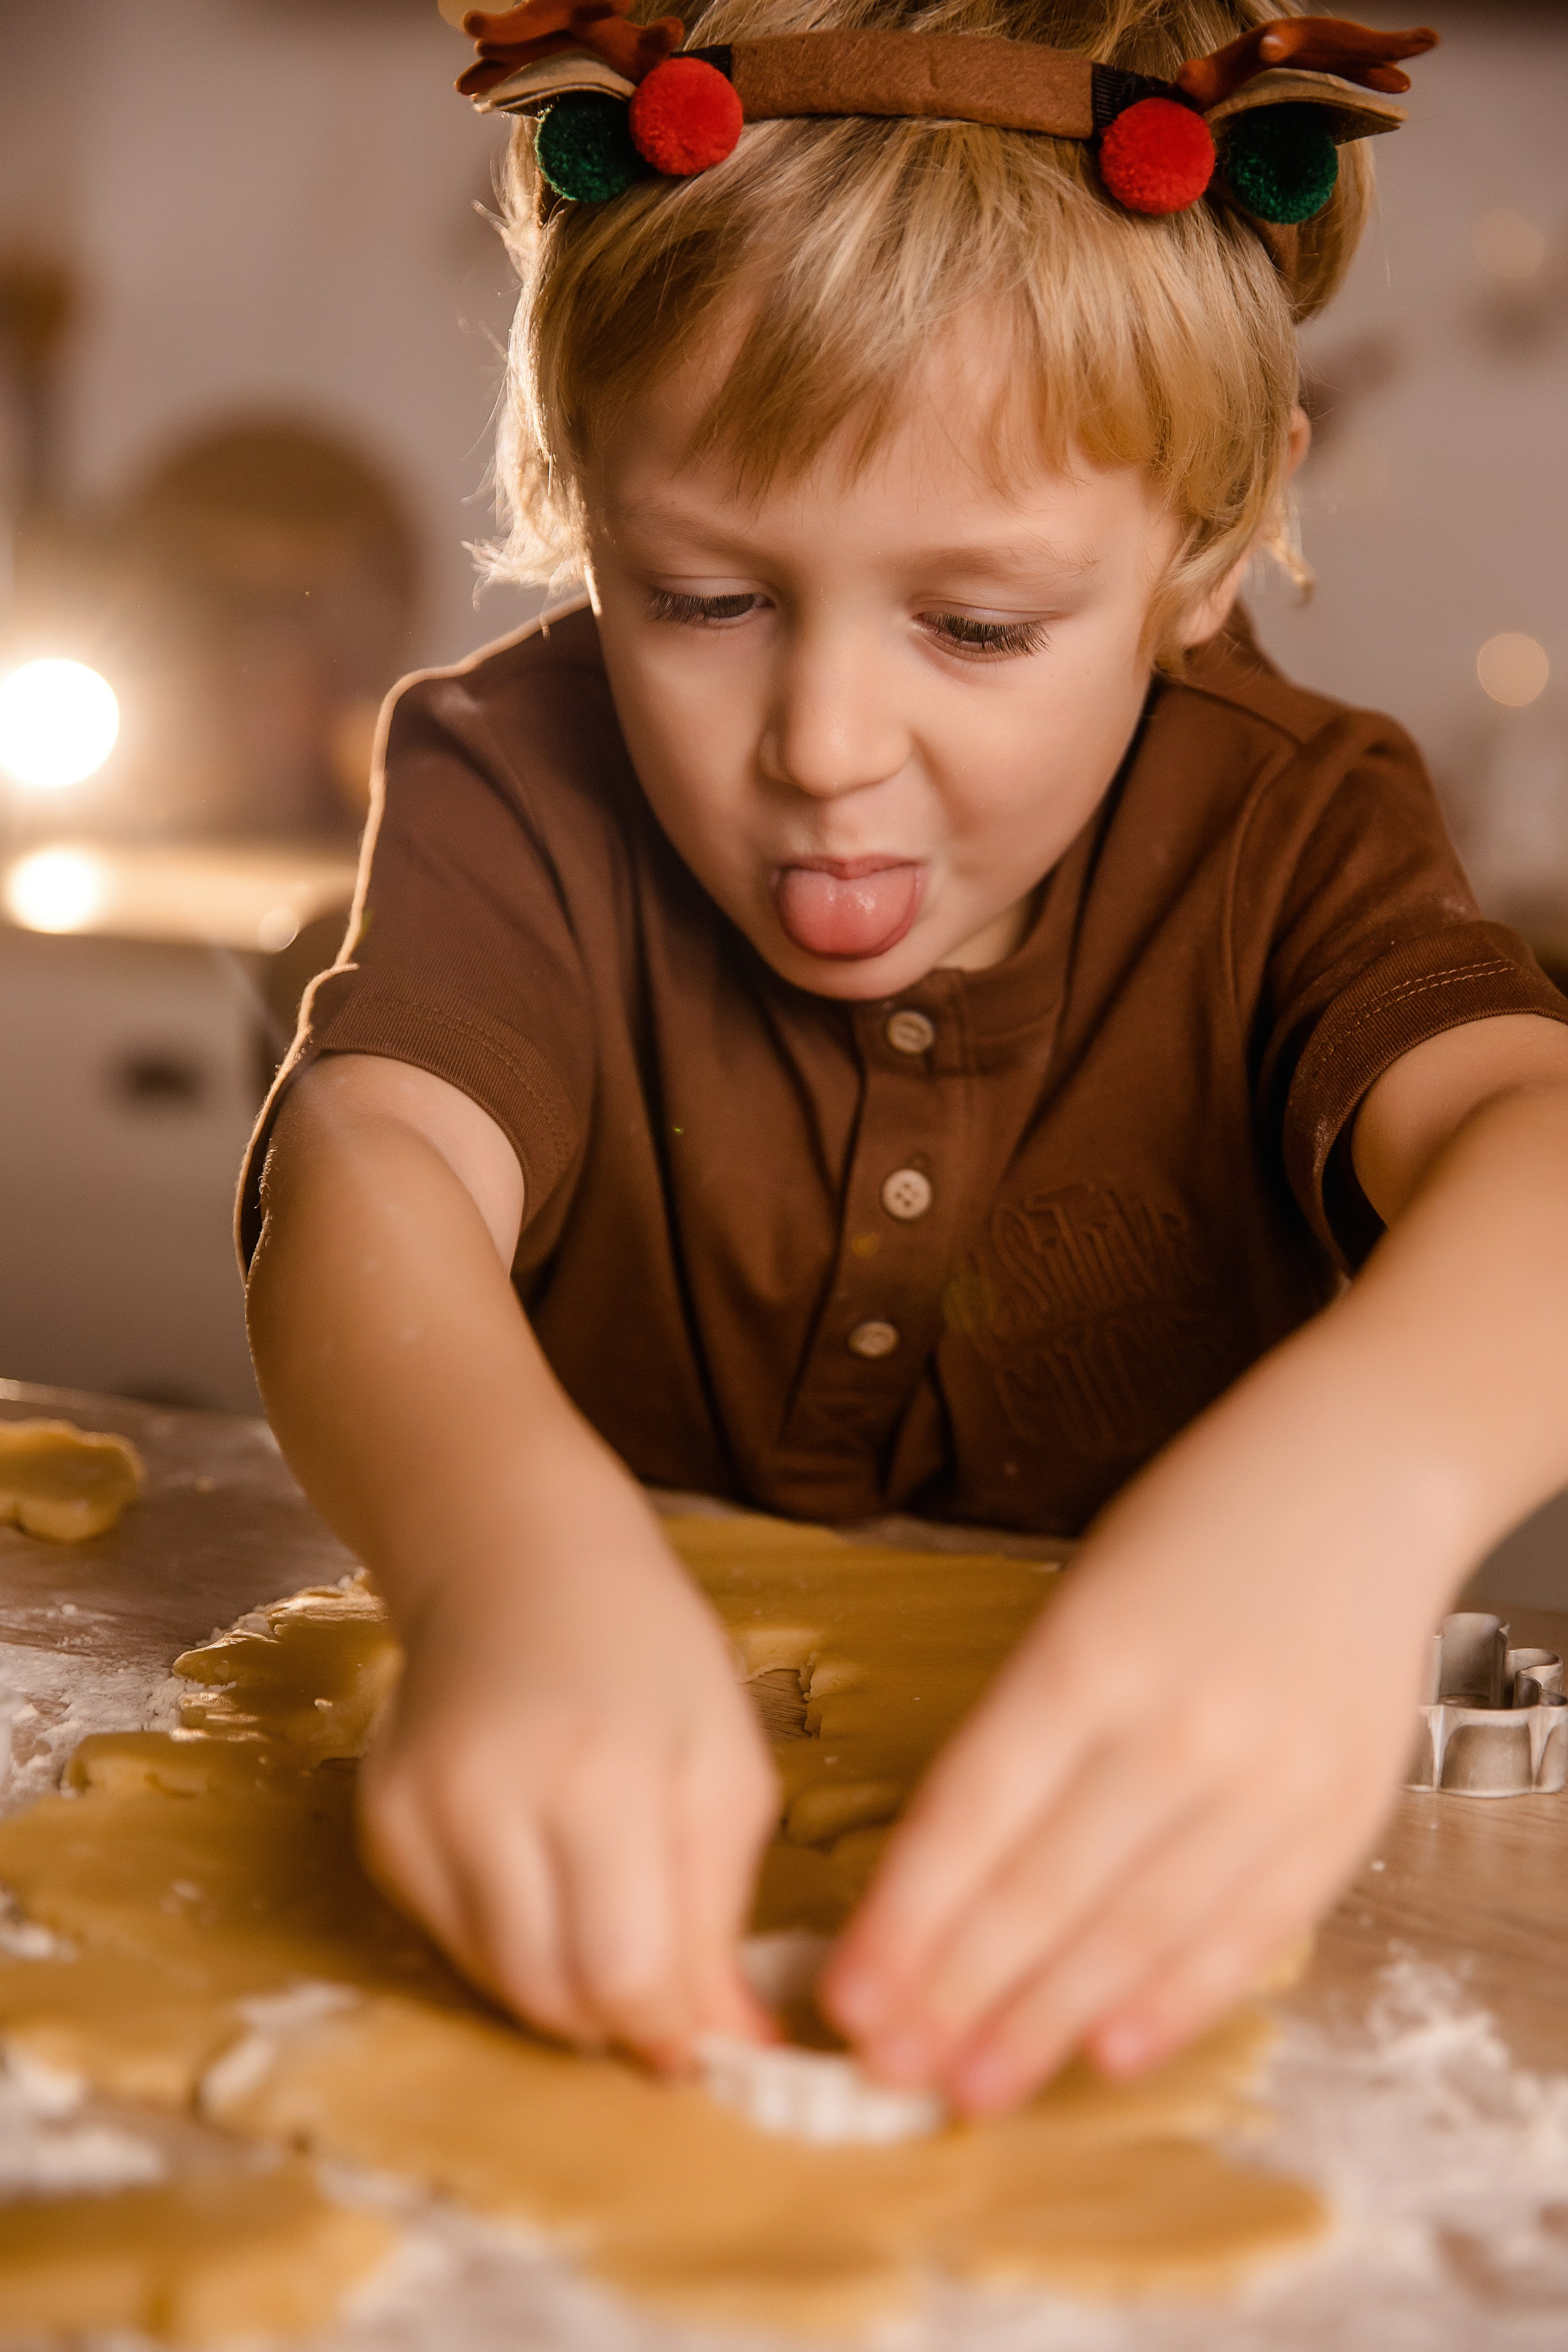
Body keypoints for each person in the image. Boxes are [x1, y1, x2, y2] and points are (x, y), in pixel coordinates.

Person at [241, 0, 1568, 2121]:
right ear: (581, 504)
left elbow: (1535, 1136)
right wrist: (495, 1555)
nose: (827, 746)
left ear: (1208, 548)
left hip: (1139, 1936)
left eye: (975, 627)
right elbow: (372, 1164)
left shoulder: (1295, 829)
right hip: (601, 1875)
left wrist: (1360, 1497)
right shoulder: (511, 780)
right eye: (702, 597)